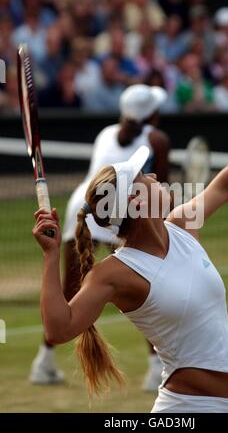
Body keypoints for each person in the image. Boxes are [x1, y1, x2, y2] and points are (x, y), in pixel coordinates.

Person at [32, 102, 228, 412]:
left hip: (219, 405)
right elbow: (59, 329)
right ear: (136, 201)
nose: (152, 174)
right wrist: (51, 255)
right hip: (184, 408)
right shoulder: (115, 272)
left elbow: (223, 186)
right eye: (142, 176)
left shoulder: (181, 225)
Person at [29, 84, 170, 392]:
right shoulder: (157, 139)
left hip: (87, 206)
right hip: (119, 209)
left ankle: (43, 361)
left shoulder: (105, 132)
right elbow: (164, 191)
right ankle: (157, 368)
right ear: (152, 114)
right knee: (147, 286)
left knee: (70, 289)